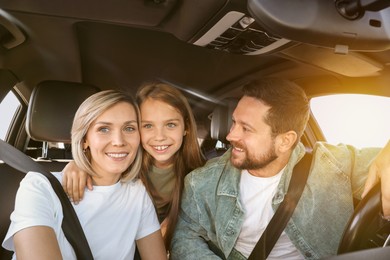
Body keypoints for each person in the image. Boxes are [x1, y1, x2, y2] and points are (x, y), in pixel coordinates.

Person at [170, 78, 390, 260]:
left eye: (246, 128)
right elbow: (184, 237)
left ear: (285, 141)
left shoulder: (334, 165)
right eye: (234, 122)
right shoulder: (201, 182)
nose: (231, 136)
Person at [2, 90, 167, 260]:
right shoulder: (39, 187)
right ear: (85, 139)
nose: (119, 141)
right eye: (104, 129)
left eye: (129, 128)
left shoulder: (137, 193)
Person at [61, 82, 206, 251]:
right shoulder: (124, 166)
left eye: (170, 125)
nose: (160, 137)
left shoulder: (201, 176)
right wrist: (79, 163)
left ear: (186, 127)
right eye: (148, 126)